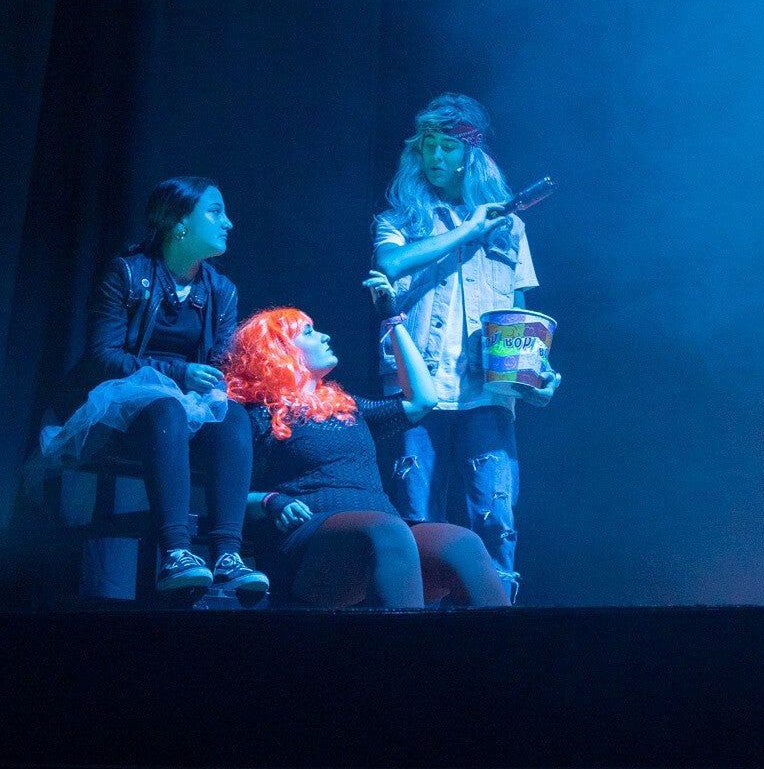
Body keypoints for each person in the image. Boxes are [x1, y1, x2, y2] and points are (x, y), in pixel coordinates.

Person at [372, 93, 560, 601]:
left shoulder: (511, 228)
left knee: (495, 518)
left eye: (448, 146)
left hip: (486, 394)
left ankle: (493, 625)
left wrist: (538, 376)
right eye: (428, 144)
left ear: (471, 154)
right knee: (416, 518)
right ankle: (413, 622)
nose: (435, 156)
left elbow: (520, 320)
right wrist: (470, 228)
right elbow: (390, 265)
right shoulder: (400, 220)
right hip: (419, 391)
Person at [222, 283, 510, 608]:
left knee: (462, 544)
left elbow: (424, 400)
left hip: (384, 537)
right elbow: (225, 497)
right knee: (386, 530)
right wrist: (269, 500)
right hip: (308, 543)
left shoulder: (348, 407)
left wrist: (392, 320)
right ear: (279, 350)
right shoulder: (255, 415)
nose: (325, 337)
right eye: (309, 333)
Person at [50, 176, 266, 594]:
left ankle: (228, 554)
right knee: (165, 407)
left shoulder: (221, 291)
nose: (228, 223)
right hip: (118, 406)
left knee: (232, 416)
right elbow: (102, 358)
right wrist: (179, 373)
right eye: (215, 211)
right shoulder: (127, 273)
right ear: (180, 222)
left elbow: (218, 365)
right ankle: (176, 552)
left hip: (182, 408)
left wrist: (206, 382)